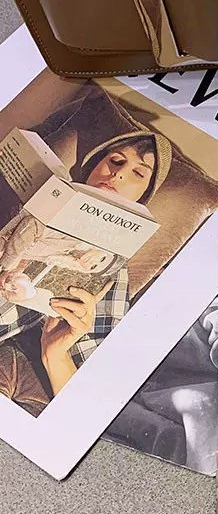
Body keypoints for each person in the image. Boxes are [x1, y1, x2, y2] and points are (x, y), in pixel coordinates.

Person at [0, 128, 172, 397]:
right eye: (116, 160)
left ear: (144, 195)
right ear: (95, 164)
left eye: (138, 173)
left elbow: (84, 397)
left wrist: (55, 354)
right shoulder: (38, 193)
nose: (118, 174)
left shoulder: (111, 269)